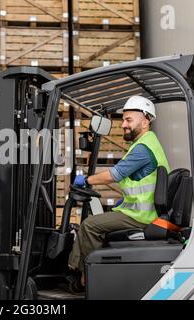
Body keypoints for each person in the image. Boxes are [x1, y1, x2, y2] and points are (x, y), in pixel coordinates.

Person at [68, 95, 170, 292]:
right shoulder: (148, 143)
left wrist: (85, 180)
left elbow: (115, 174)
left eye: (128, 120)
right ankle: (82, 272)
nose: (123, 124)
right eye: (123, 120)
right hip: (139, 212)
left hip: (141, 216)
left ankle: (86, 278)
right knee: (94, 223)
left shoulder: (143, 148)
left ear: (145, 121)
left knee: (89, 225)